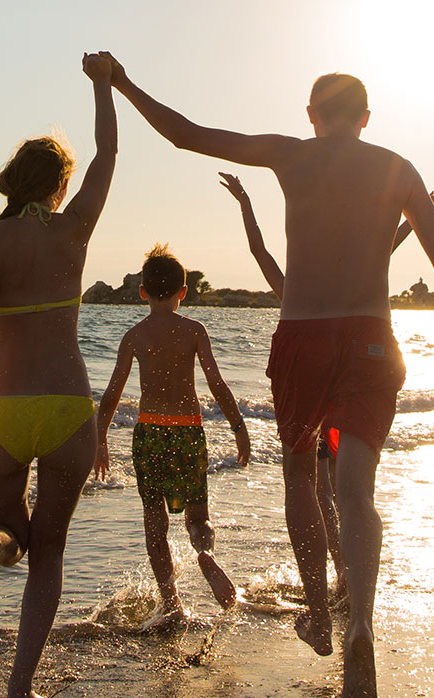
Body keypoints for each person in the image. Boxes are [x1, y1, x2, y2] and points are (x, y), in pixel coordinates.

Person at [108, 57, 434, 697]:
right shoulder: (398, 167)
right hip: (370, 338)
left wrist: (120, 82)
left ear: (311, 117)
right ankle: (359, 619)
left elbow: (184, 134)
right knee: (357, 489)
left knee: (302, 476)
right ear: (366, 119)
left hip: (304, 338)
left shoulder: (291, 154)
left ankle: (316, 610)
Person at [0, 52, 117, 698]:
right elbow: (108, 156)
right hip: (68, 408)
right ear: (57, 187)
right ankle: (19, 686)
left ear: (12, 181)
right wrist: (102, 87)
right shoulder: (74, 230)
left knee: (16, 535)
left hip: (5, 412)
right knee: (52, 552)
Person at [220, 172, 434, 603]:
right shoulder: (340, 295)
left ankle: (335, 579)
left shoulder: (290, 292)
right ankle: (348, 577)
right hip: (349, 390)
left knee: (316, 490)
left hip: (311, 395)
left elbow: (259, 250)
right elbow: (382, 249)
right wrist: (419, 217)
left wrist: (245, 203)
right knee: (348, 491)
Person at [92, 244, 252, 626]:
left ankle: (172, 602)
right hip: (187, 433)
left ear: (143, 292)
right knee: (198, 515)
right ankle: (206, 555)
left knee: (154, 523)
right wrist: (238, 427)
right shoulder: (194, 331)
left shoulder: (133, 336)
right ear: (184, 291)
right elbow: (217, 384)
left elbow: (112, 394)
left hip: (149, 433)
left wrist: (100, 441)